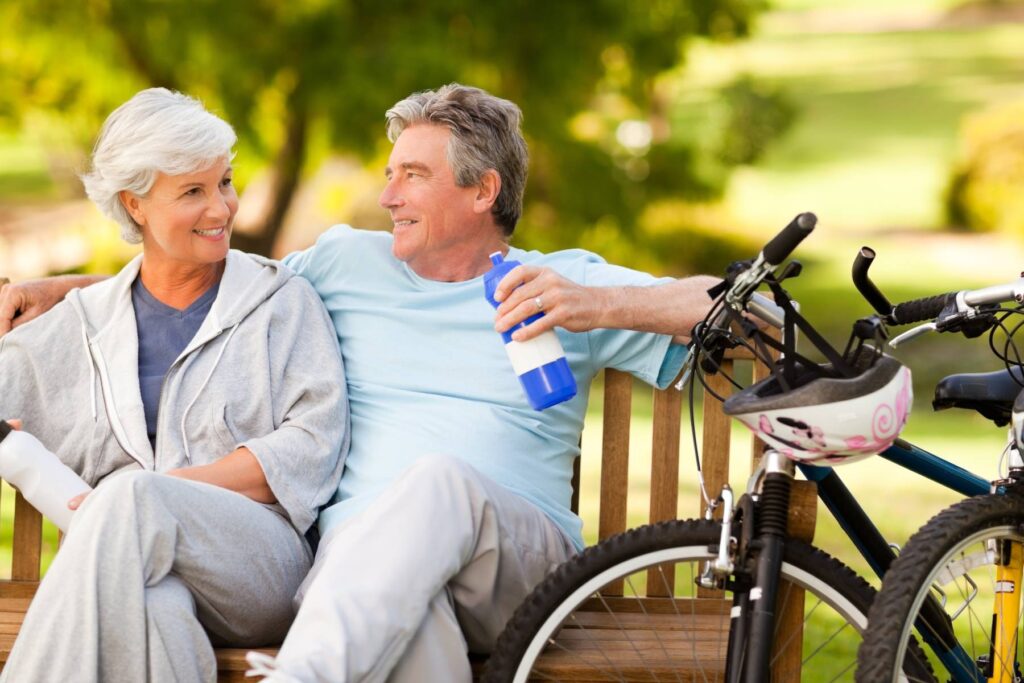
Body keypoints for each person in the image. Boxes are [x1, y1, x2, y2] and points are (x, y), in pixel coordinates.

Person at [0, 83, 718, 681]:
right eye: (388, 174)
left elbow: (750, 312)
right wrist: (61, 288)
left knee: (440, 480)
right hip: (360, 576)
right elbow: (210, 281)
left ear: (482, 190)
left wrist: (598, 305)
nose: (387, 196)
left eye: (413, 175)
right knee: (409, 627)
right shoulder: (346, 263)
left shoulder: (562, 284)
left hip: (512, 567)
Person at [0, 88, 348, 682]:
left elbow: (310, 449)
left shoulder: (279, 304)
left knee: (133, 495)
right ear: (135, 205)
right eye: (193, 191)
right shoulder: (81, 325)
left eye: (225, 182)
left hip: (256, 566)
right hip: (132, 572)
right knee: (156, 605)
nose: (221, 208)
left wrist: (157, 493)